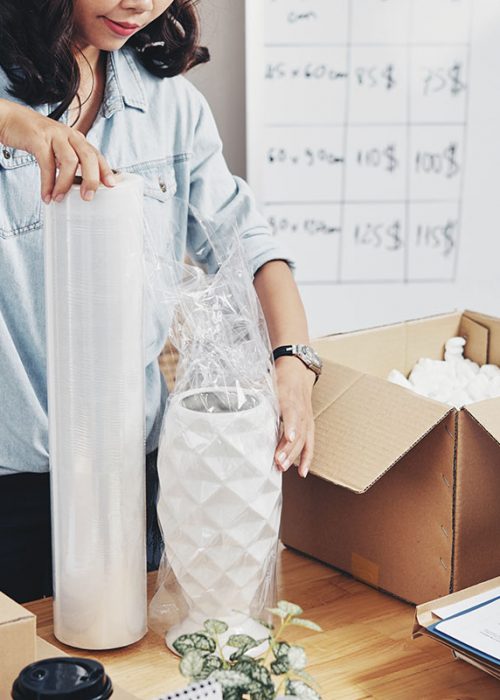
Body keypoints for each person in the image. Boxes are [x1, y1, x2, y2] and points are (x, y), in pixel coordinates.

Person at [0, 0, 319, 603]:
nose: (141, 4)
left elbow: (246, 242)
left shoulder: (170, 108)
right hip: (11, 489)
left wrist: (294, 361)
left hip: (133, 478)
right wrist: (19, 125)